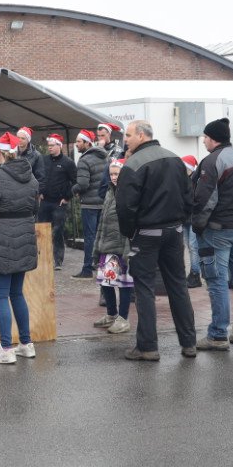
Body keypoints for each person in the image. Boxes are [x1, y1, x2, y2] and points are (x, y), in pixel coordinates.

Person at [116, 119, 197, 362]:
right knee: (178, 287)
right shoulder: (174, 159)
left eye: (128, 135)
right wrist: (180, 222)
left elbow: (125, 206)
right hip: (174, 232)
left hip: (147, 234)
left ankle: (148, 346)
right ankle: (189, 343)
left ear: (142, 135)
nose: (125, 140)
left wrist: (130, 233)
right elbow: (189, 196)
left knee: (144, 289)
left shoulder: (134, 164)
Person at [191, 118, 233, 350]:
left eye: (205, 137)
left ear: (212, 138)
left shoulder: (212, 161)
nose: (203, 141)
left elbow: (204, 199)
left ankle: (218, 334)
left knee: (217, 281)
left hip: (218, 230)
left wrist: (197, 225)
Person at [0, 132, 39, 364]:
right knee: (17, 293)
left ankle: (5, 348)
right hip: (24, 236)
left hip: (0, 238)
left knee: (1, 295)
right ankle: (26, 344)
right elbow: (35, 207)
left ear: (0, 153)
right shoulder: (31, 178)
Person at [93, 158, 133, 333]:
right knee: (106, 282)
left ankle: (123, 318)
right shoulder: (110, 192)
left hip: (121, 246)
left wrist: (127, 248)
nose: (114, 177)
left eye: (117, 173)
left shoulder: (128, 192)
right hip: (108, 244)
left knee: (123, 284)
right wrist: (98, 244)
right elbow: (104, 220)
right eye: (111, 174)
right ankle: (111, 314)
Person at [71, 128, 108, 278]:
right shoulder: (104, 158)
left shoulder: (84, 160)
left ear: (87, 143)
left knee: (90, 237)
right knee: (102, 237)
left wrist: (72, 190)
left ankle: (87, 268)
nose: (76, 144)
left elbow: (82, 184)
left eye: (79, 142)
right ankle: (102, 266)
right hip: (103, 202)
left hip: (89, 204)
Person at [38, 134, 75, 269]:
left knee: (57, 231)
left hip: (59, 202)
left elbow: (75, 182)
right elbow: (38, 177)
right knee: (42, 229)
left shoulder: (68, 162)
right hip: (44, 200)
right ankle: (43, 257)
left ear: (59, 145)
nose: (50, 148)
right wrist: (39, 192)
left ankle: (57, 260)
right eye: (49, 146)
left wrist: (67, 197)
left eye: (52, 146)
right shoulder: (43, 160)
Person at [181, 154, 204, 288]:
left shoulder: (197, 180)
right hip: (185, 219)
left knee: (194, 247)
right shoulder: (183, 180)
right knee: (190, 247)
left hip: (194, 218)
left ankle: (195, 274)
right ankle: (193, 273)